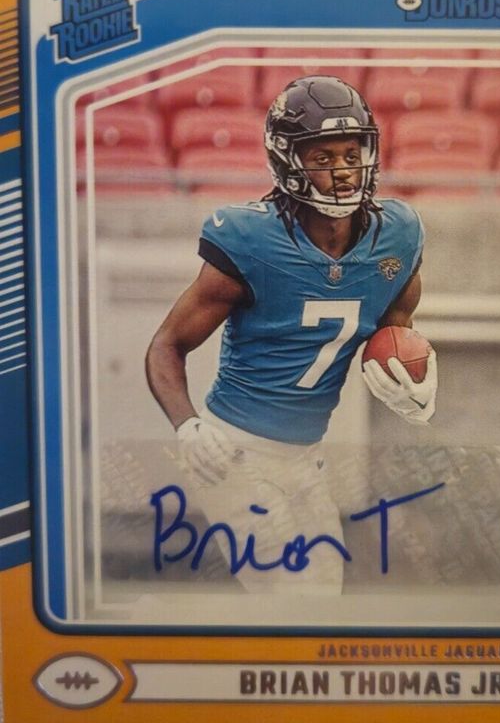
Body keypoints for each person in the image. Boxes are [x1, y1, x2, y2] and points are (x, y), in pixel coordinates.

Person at [145, 75, 437, 594]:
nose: (342, 170)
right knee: (292, 595)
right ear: (288, 161)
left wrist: (410, 384)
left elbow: (394, 332)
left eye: (351, 154)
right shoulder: (252, 239)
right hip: (235, 452)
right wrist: (187, 425)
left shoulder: (398, 235)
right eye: (322, 157)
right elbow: (168, 344)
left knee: (322, 593)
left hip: (306, 455)